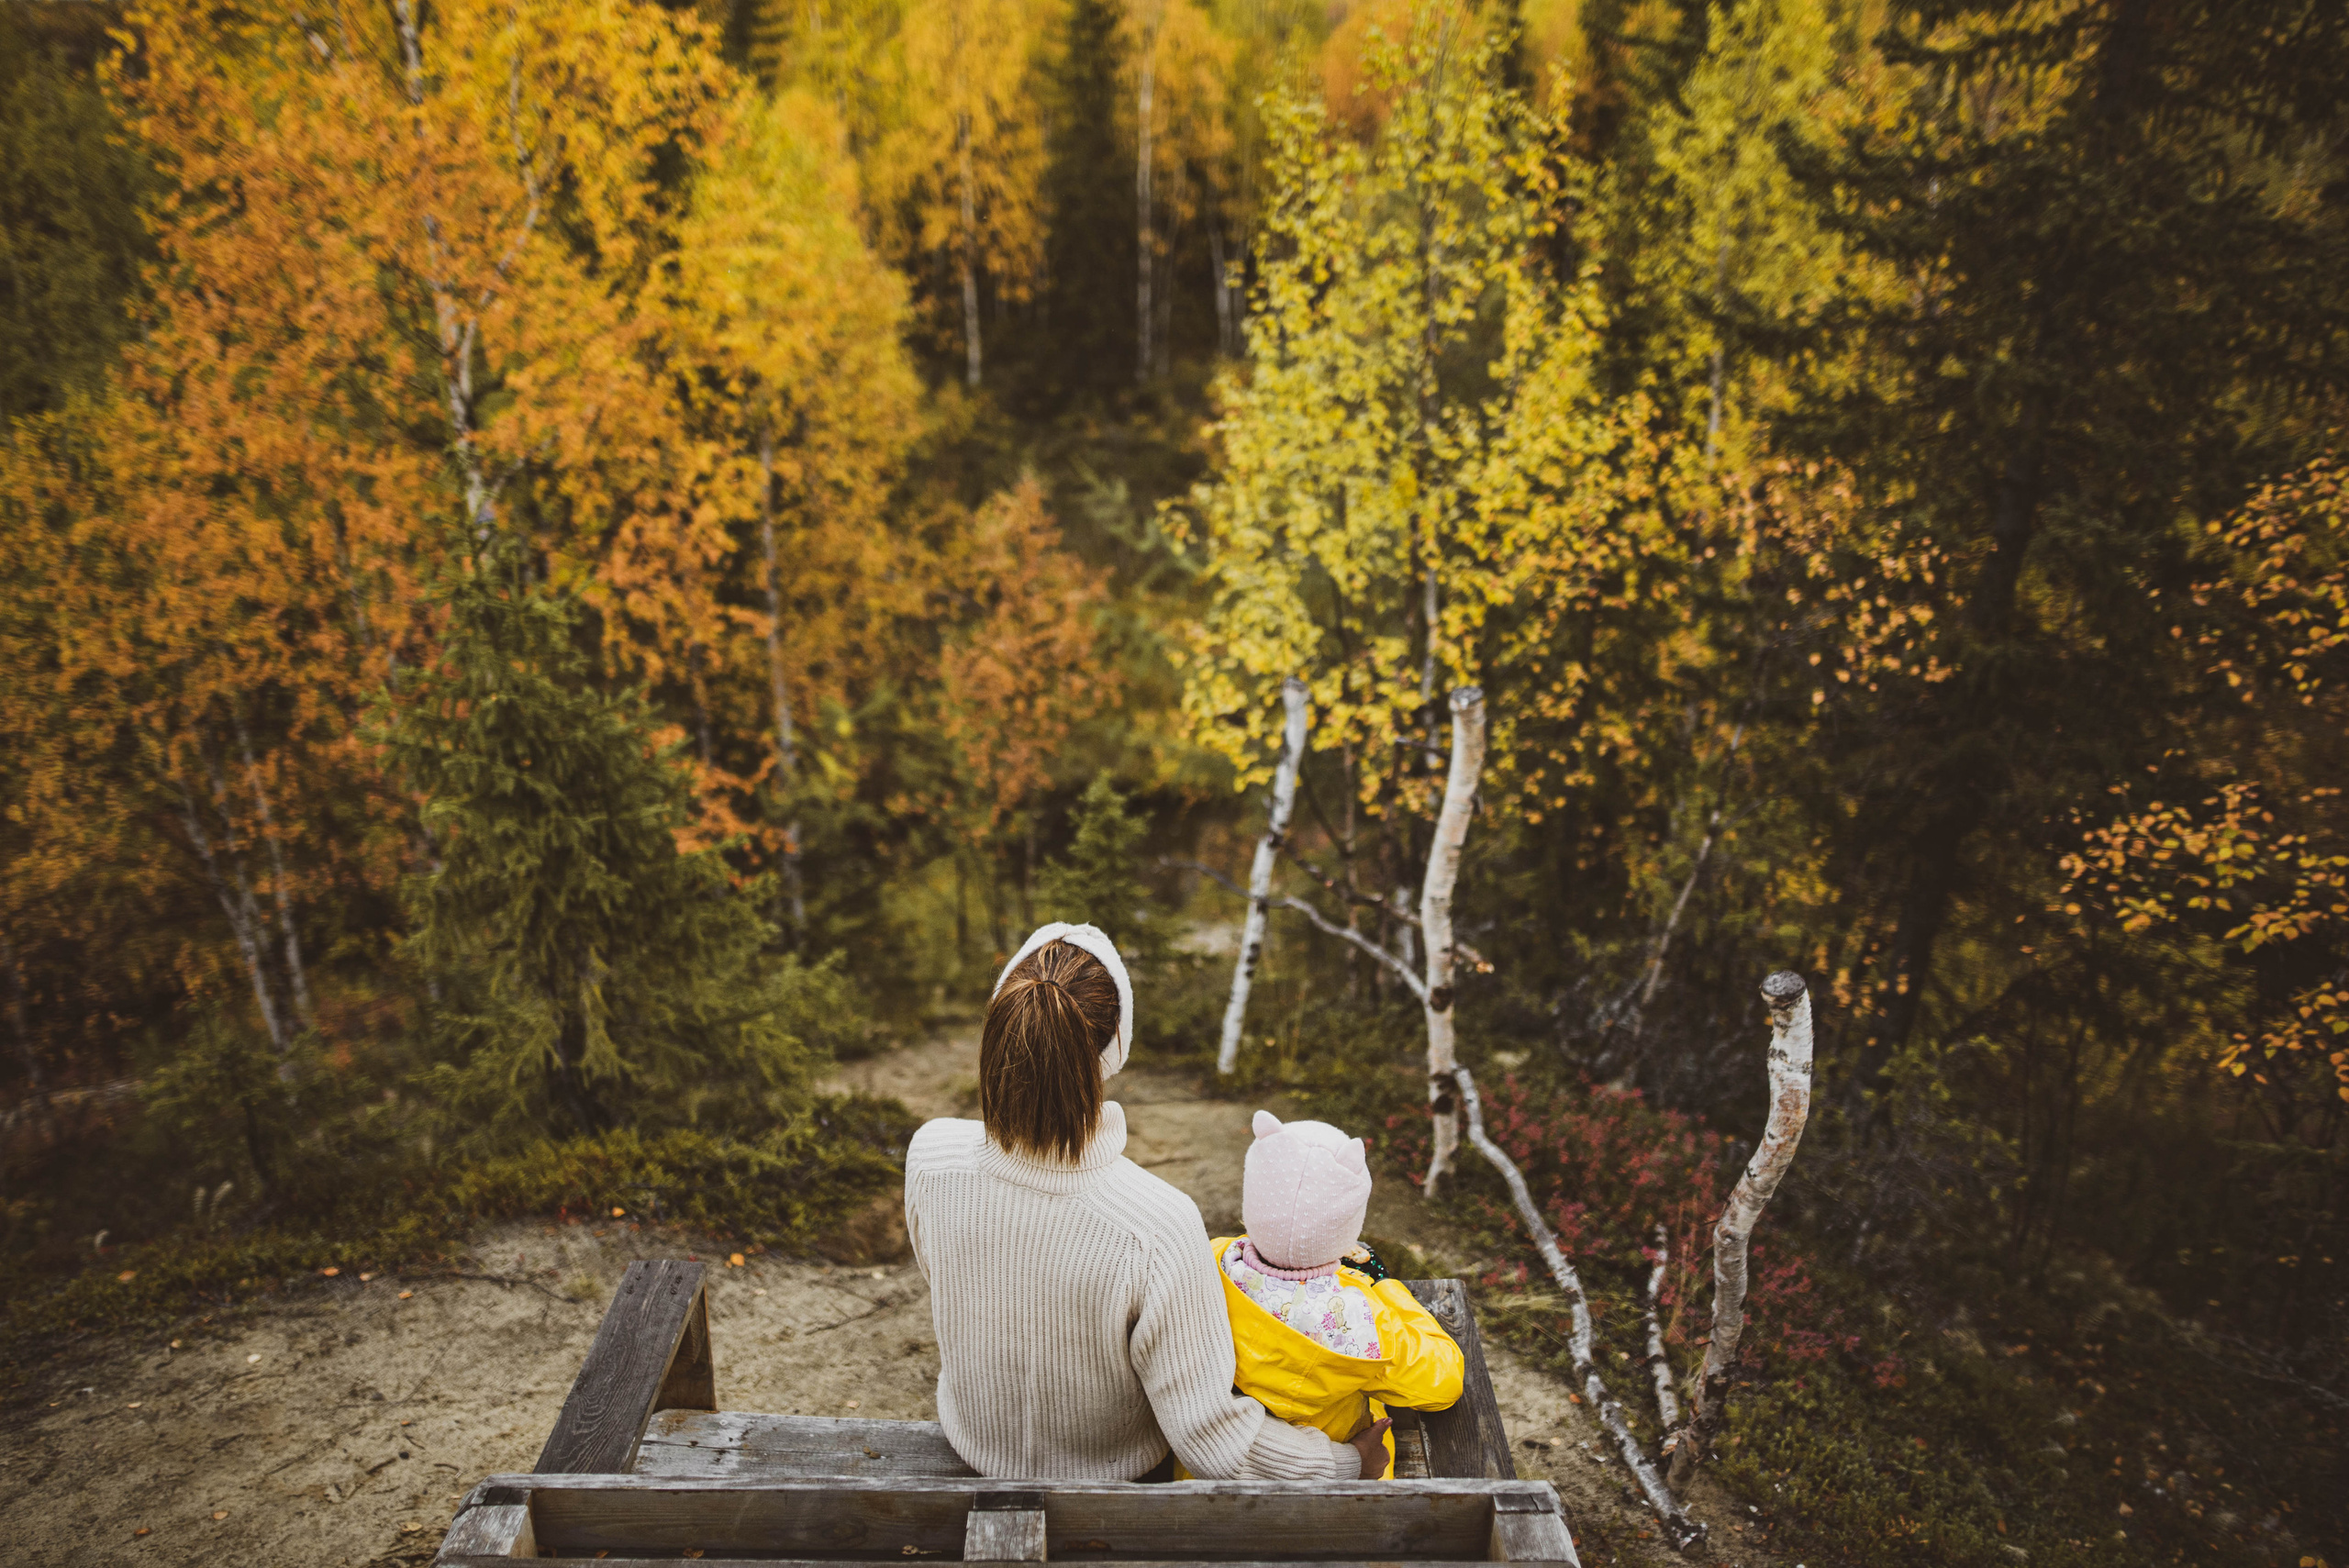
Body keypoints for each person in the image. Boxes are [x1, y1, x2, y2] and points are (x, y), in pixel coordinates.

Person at [904, 921, 1390, 1481]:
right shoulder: (1156, 1222)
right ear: (1113, 1051)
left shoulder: (930, 1156)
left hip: (975, 1447)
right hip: (1111, 1494)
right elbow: (1210, 1436)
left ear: (1001, 1025)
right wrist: (1345, 1461)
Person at [1210, 1111, 1464, 1478]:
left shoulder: (1211, 1259)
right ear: (1347, 1230)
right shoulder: (1364, 1323)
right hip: (1337, 1473)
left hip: (1214, 1468)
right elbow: (1442, 1383)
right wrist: (1384, 1286)